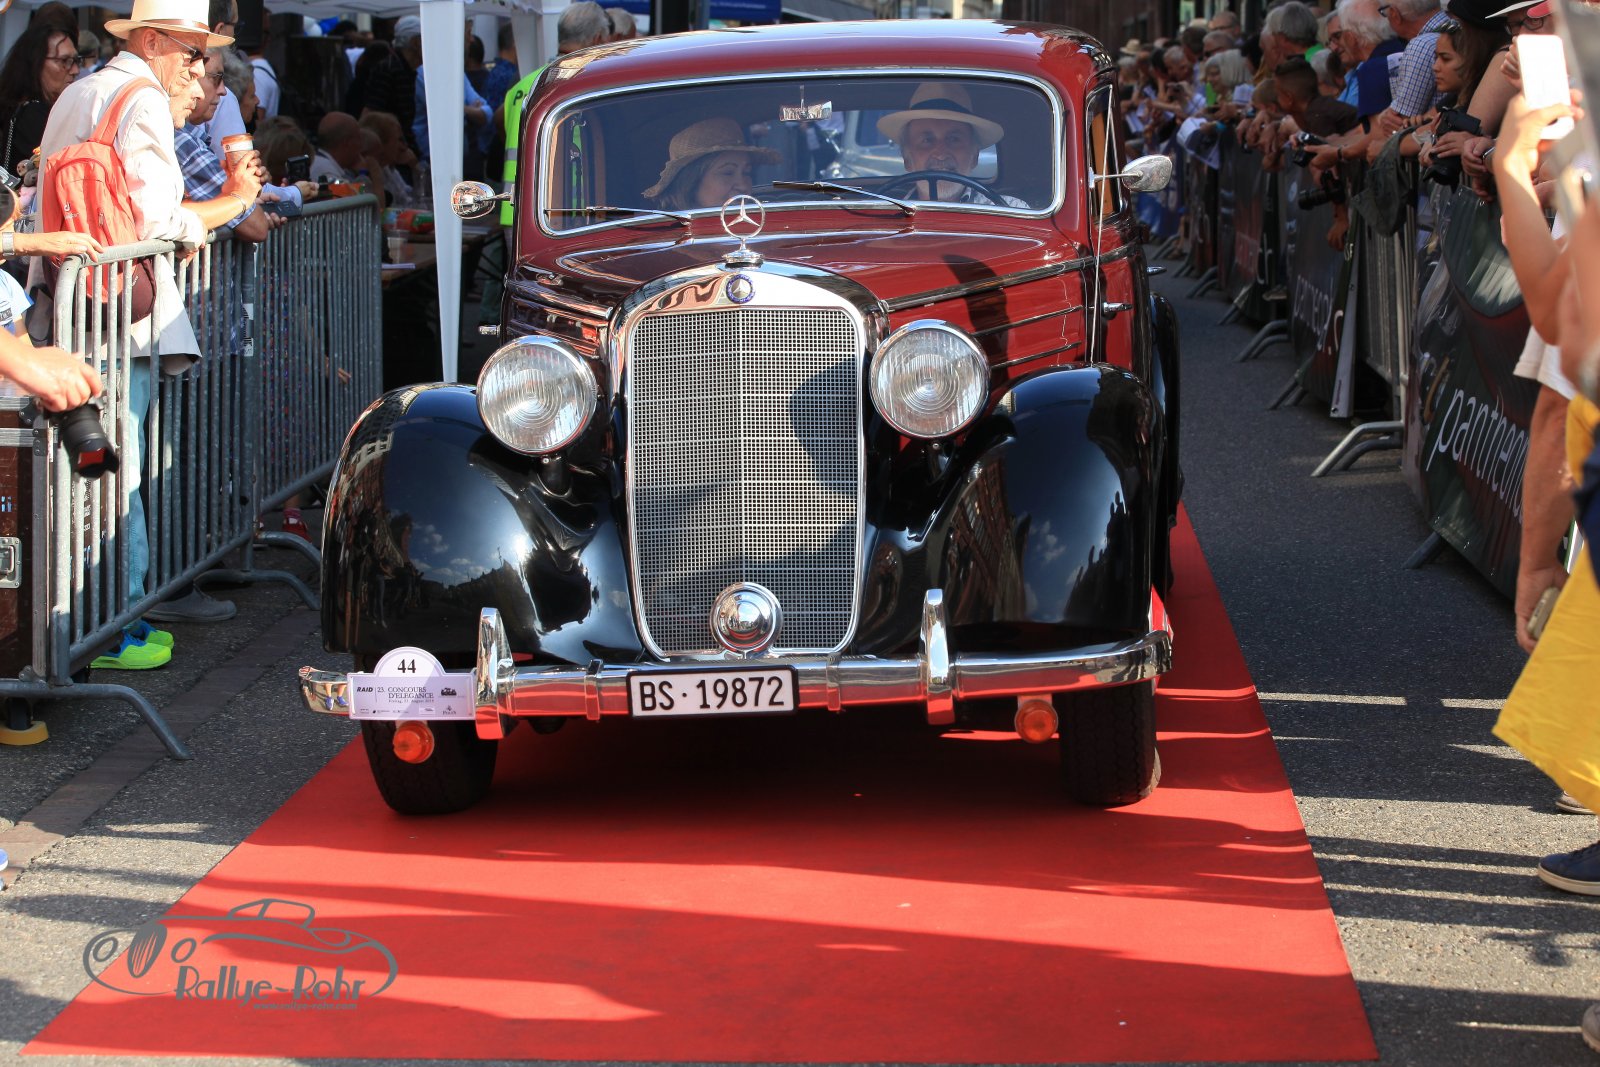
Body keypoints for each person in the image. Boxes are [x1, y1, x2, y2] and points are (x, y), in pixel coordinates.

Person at [35, 0, 256, 668]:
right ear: (153, 42)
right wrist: (232, 203)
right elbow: (160, 220)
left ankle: (90, 620)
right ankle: (115, 622)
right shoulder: (141, 97)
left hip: (71, 305)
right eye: (192, 52)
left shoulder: (80, 90)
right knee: (117, 468)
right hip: (116, 313)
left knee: (90, 468)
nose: (198, 67)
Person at [874, 81, 1027, 207]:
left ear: (974, 156)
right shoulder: (882, 217)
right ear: (907, 159)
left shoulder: (1011, 210)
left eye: (954, 139)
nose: (940, 154)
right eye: (927, 140)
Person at [643, 117, 780, 210]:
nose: (743, 186)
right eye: (727, 173)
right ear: (691, 182)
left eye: (746, 173)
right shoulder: (665, 239)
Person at [0, 24, 84, 175]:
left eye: (76, 60)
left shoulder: (38, 109)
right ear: (36, 63)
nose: (75, 70)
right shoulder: (31, 115)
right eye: (64, 60)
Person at [363, 16, 422, 148]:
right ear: (416, 42)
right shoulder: (389, 69)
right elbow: (370, 114)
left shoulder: (407, 70)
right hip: (388, 149)